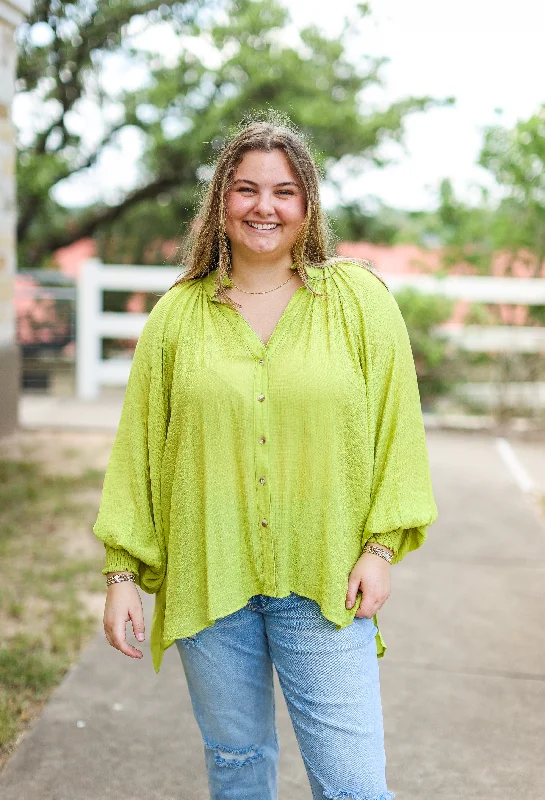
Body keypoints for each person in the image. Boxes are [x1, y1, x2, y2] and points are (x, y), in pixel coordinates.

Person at [94, 118, 438, 800]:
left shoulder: (357, 302)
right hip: (209, 578)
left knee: (353, 786)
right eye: (245, 189)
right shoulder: (176, 317)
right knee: (236, 764)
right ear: (220, 201)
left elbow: (398, 428)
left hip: (324, 579)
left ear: (306, 205)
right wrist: (121, 574)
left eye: (283, 191)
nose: (264, 207)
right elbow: (137, 447)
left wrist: (380, 547)